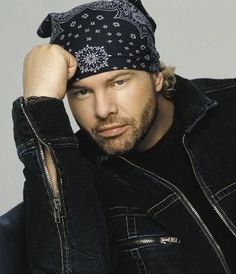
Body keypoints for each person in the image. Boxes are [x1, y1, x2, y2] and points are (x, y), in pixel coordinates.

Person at [0, 0, 235, 273]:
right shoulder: (77, 176)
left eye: (119, 82)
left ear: (156, 77)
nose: (103, 110)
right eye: (82, 92)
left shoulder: (228, 108)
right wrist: (40, 106)